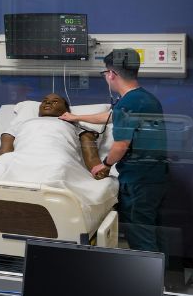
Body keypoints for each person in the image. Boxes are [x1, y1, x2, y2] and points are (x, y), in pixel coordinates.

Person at [61, 49, 168, 253]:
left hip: (138, 181)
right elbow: (111, 116)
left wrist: (106, 165)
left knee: (140, 237)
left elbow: (121, 145)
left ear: (111, 74)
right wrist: (76, 118)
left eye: (105, 74)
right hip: (156, 177)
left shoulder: (127, 103)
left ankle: (147, 283)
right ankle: (161, 279)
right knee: (151, 231)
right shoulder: (145, 99)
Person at [0, 93, 107, 180]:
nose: (48, 103)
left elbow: (92, 156)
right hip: (21, 158)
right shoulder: (19, 125)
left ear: (66, 110)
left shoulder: (78, 127)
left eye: (55, 102)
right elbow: (4, 153)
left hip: (57, 159)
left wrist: (97, 169)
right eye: (45, 101)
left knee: (58, 166)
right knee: (5, 163)